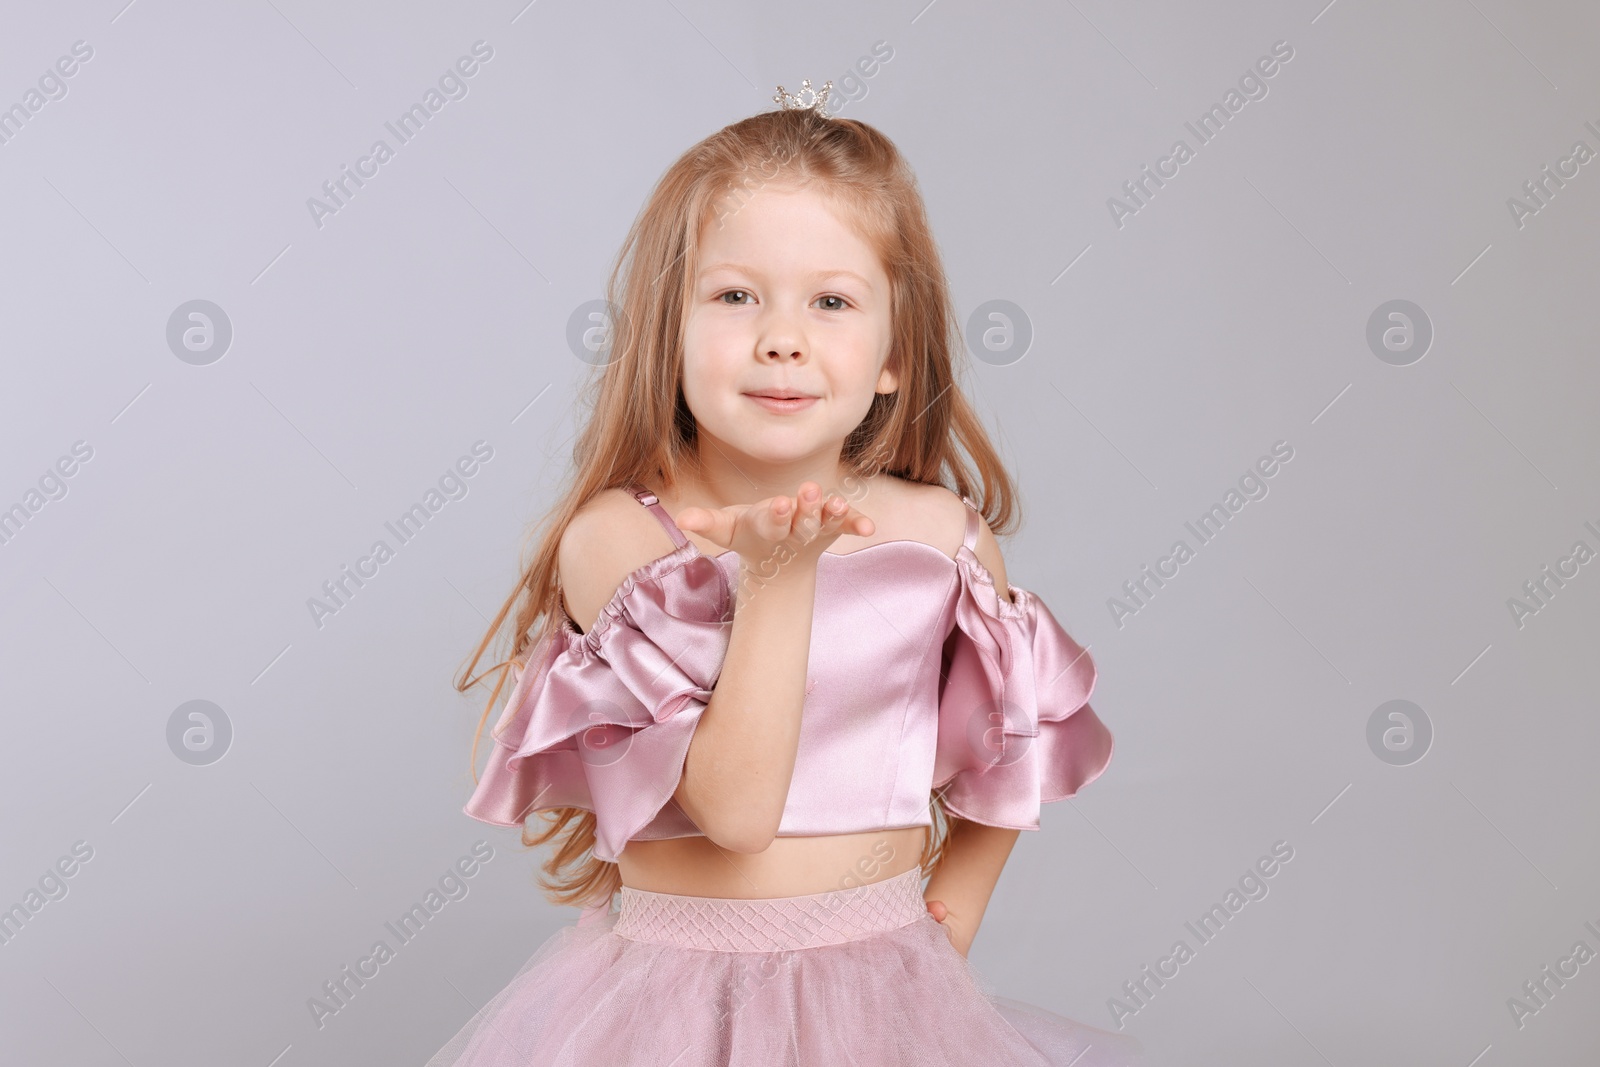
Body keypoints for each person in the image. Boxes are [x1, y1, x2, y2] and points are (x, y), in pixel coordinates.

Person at [425, 80, 1144, 1066]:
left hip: (882, 995)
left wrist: (950, 917)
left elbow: (1013, 737)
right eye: (733, 295)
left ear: (895, 352)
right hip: (669, 1007)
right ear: (666, 333)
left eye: (833, 300)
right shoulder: (620, 543)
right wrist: (772, 579)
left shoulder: (941, 537)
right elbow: (735, 810)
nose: (782, 336)